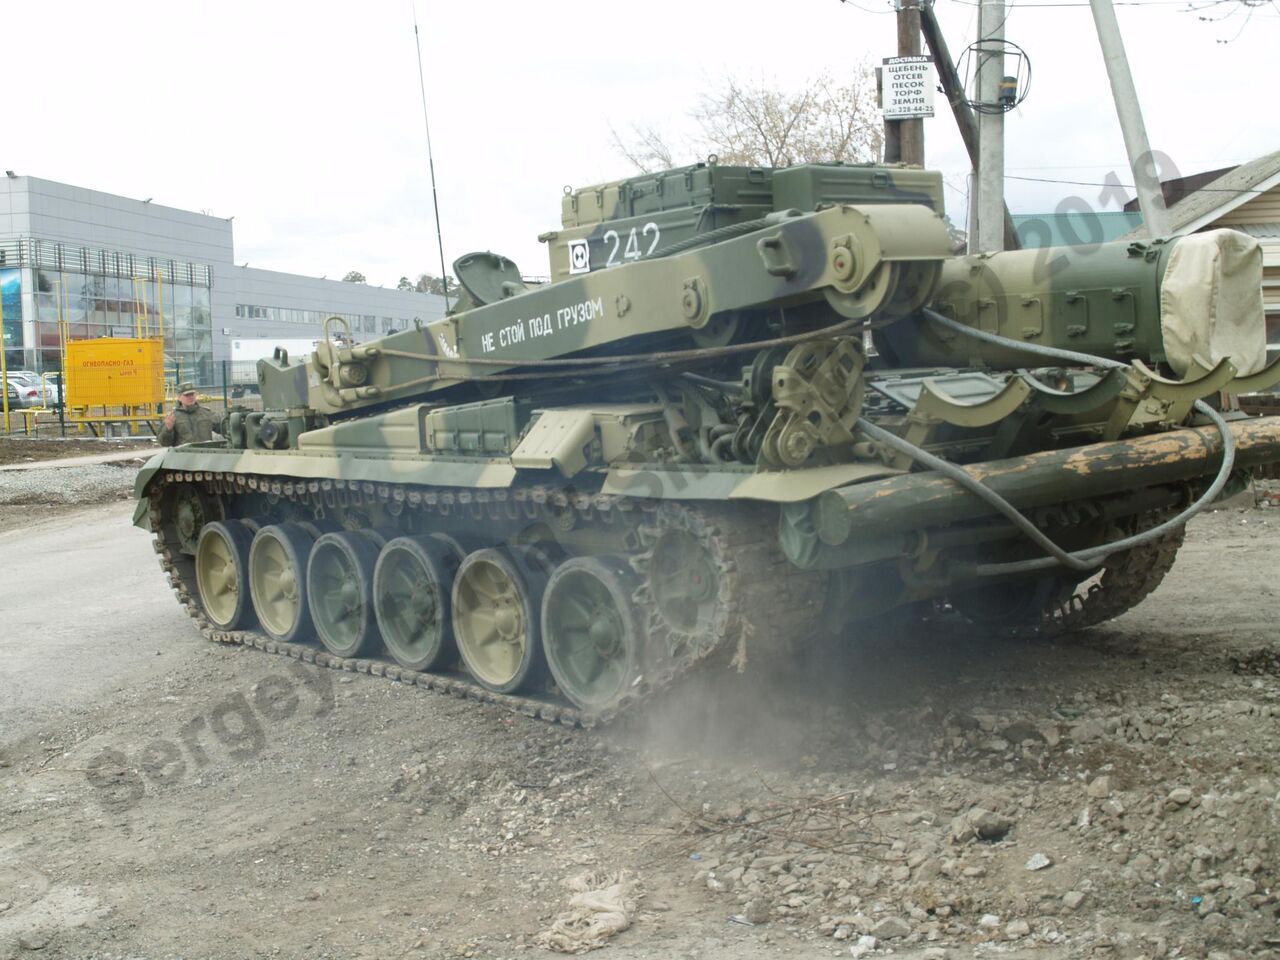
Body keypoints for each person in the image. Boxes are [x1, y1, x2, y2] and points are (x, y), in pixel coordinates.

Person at [158, 382, 216, 446]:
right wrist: (168, 430)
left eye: (192, 394)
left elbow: (224, 426)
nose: (190, 397)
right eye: (187, 395)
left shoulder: (206, 414)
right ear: (179, 398)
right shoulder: (172, 417)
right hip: (184, 454)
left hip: (205, 454)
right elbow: (164, 443)